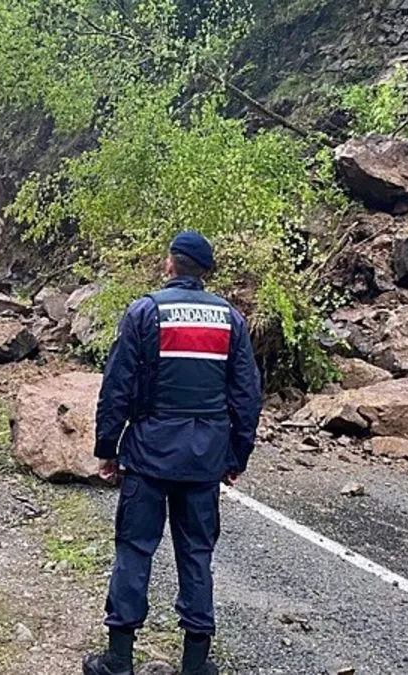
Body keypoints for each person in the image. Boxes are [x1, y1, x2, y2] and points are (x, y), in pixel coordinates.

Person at [85, 232, 262, 675]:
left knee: (134, 550)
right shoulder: (230, 320)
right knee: (196, 553)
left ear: (170, 264)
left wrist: (107, 448)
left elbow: (117, 387)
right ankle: (196, 664)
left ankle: (119, 660)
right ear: (203, 271)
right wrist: (236, 456)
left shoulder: (146, 311)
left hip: (149, 454)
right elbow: (246, 396)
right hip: (204, 460)